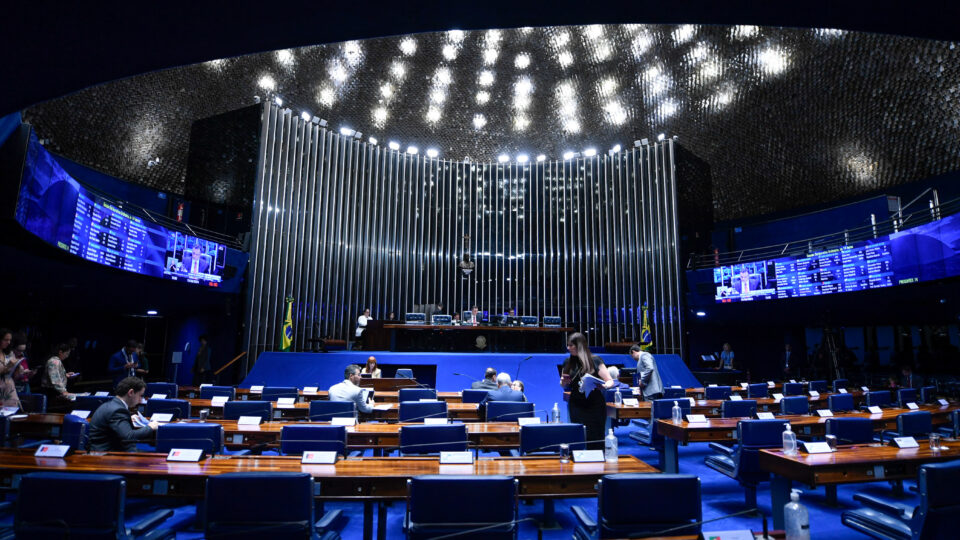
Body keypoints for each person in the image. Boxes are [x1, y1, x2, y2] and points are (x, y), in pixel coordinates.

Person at [561, 332, 614, 449]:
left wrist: (604, 386)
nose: (568, 348)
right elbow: (563, 385)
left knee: (595, 435)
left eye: (571, 345)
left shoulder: (595, 360)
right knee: (578, 435)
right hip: (576, 403)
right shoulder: (567, 362)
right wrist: (564, 382)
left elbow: (610, 381)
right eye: (568, 345)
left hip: (595, 404)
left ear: (579, 345)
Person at [88, 377, 159, 452]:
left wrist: (127, 419)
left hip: (106, 449)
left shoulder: (113, 405)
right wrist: (150, 427)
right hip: (106, 454)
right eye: (140, 395)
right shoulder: (118, 411)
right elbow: (129, 437)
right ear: (131, 392)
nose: (141, 400)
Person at [0, 329, 23, 408]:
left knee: (13, 411)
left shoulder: (9, 353)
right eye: (5, 340)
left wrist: (18, 368)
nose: (8, 342)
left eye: (10, 340)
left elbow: (15, 376)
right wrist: (8, 366)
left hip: (9, 389)